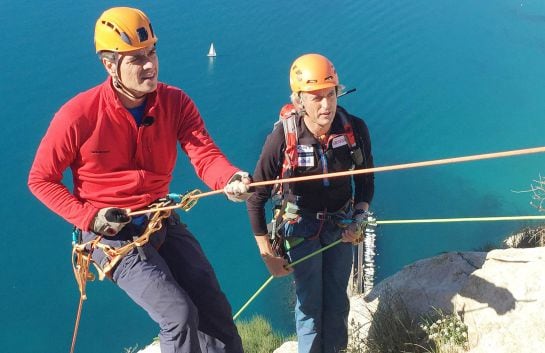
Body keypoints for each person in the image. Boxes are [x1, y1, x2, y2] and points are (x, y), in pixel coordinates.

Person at [28, 7, 250, 353]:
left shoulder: (175, 103)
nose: (150, 65)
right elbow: (41, 179)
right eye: (136, 59)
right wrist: (91, 217)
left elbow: (204, 154)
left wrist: (230, 178)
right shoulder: (78, 115)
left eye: (152, 53)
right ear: (109, 65)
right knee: (177, 313)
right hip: (109, 234)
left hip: (160, 216)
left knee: (212, 303)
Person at [246, 53, 375, 353]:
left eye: (330, 94)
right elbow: (256, 195)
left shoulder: (354, 129)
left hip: (342, 224)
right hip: (300, 227)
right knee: (309, 305)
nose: (326, 105)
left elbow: (366, 183)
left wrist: (359, 218)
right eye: (315, 98)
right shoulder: (283, 138)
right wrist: (267, 253)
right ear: (299, 100)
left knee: (337, 300)